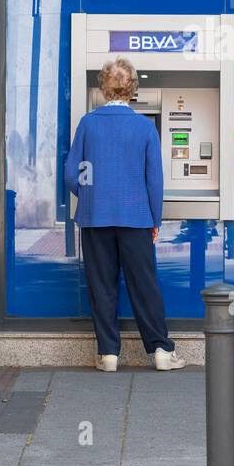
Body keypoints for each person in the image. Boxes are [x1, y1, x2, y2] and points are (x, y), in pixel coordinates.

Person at [63, 56, 184, 373]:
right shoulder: (145, 127)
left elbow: (71, 174)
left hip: (95, 219)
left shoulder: (88, 124)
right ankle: (159, 350)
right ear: (133, 89)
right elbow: (154, 181)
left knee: (102, 285)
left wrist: (91, 196)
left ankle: (108, 354)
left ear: (103, 88)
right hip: (136, 220)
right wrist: (154, 220)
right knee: (143, 284)